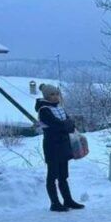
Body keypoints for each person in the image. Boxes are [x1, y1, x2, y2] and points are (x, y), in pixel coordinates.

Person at [35, 83, 84, 212]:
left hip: (63, 145)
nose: (56, 96)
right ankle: (55, 203)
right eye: (52, 94)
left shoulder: (59, 108)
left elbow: (70, 125)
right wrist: (66, 125)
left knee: (63, 175)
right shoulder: (44, 110)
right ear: (46, 96)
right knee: (52, 175)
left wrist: (66, 125)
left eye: (57, 94)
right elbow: (59, 125)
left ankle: (68, 200)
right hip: (52, 146)